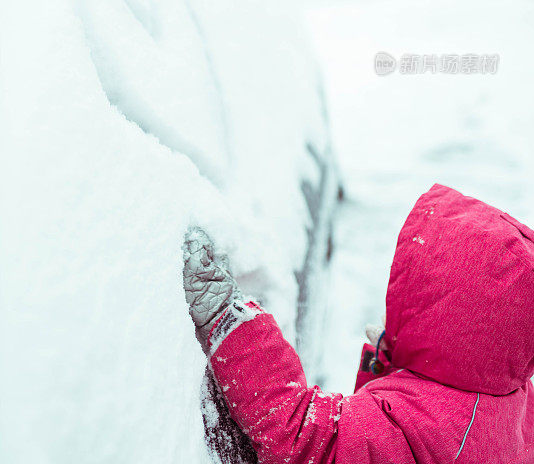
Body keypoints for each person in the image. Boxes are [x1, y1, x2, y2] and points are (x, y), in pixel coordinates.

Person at [183, 183, 534, 463]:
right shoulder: (511, 400)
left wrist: (229, 319)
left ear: (450, 320)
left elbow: (305, 439)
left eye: (419, 290)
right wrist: (395, 365)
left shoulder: (422, 426)